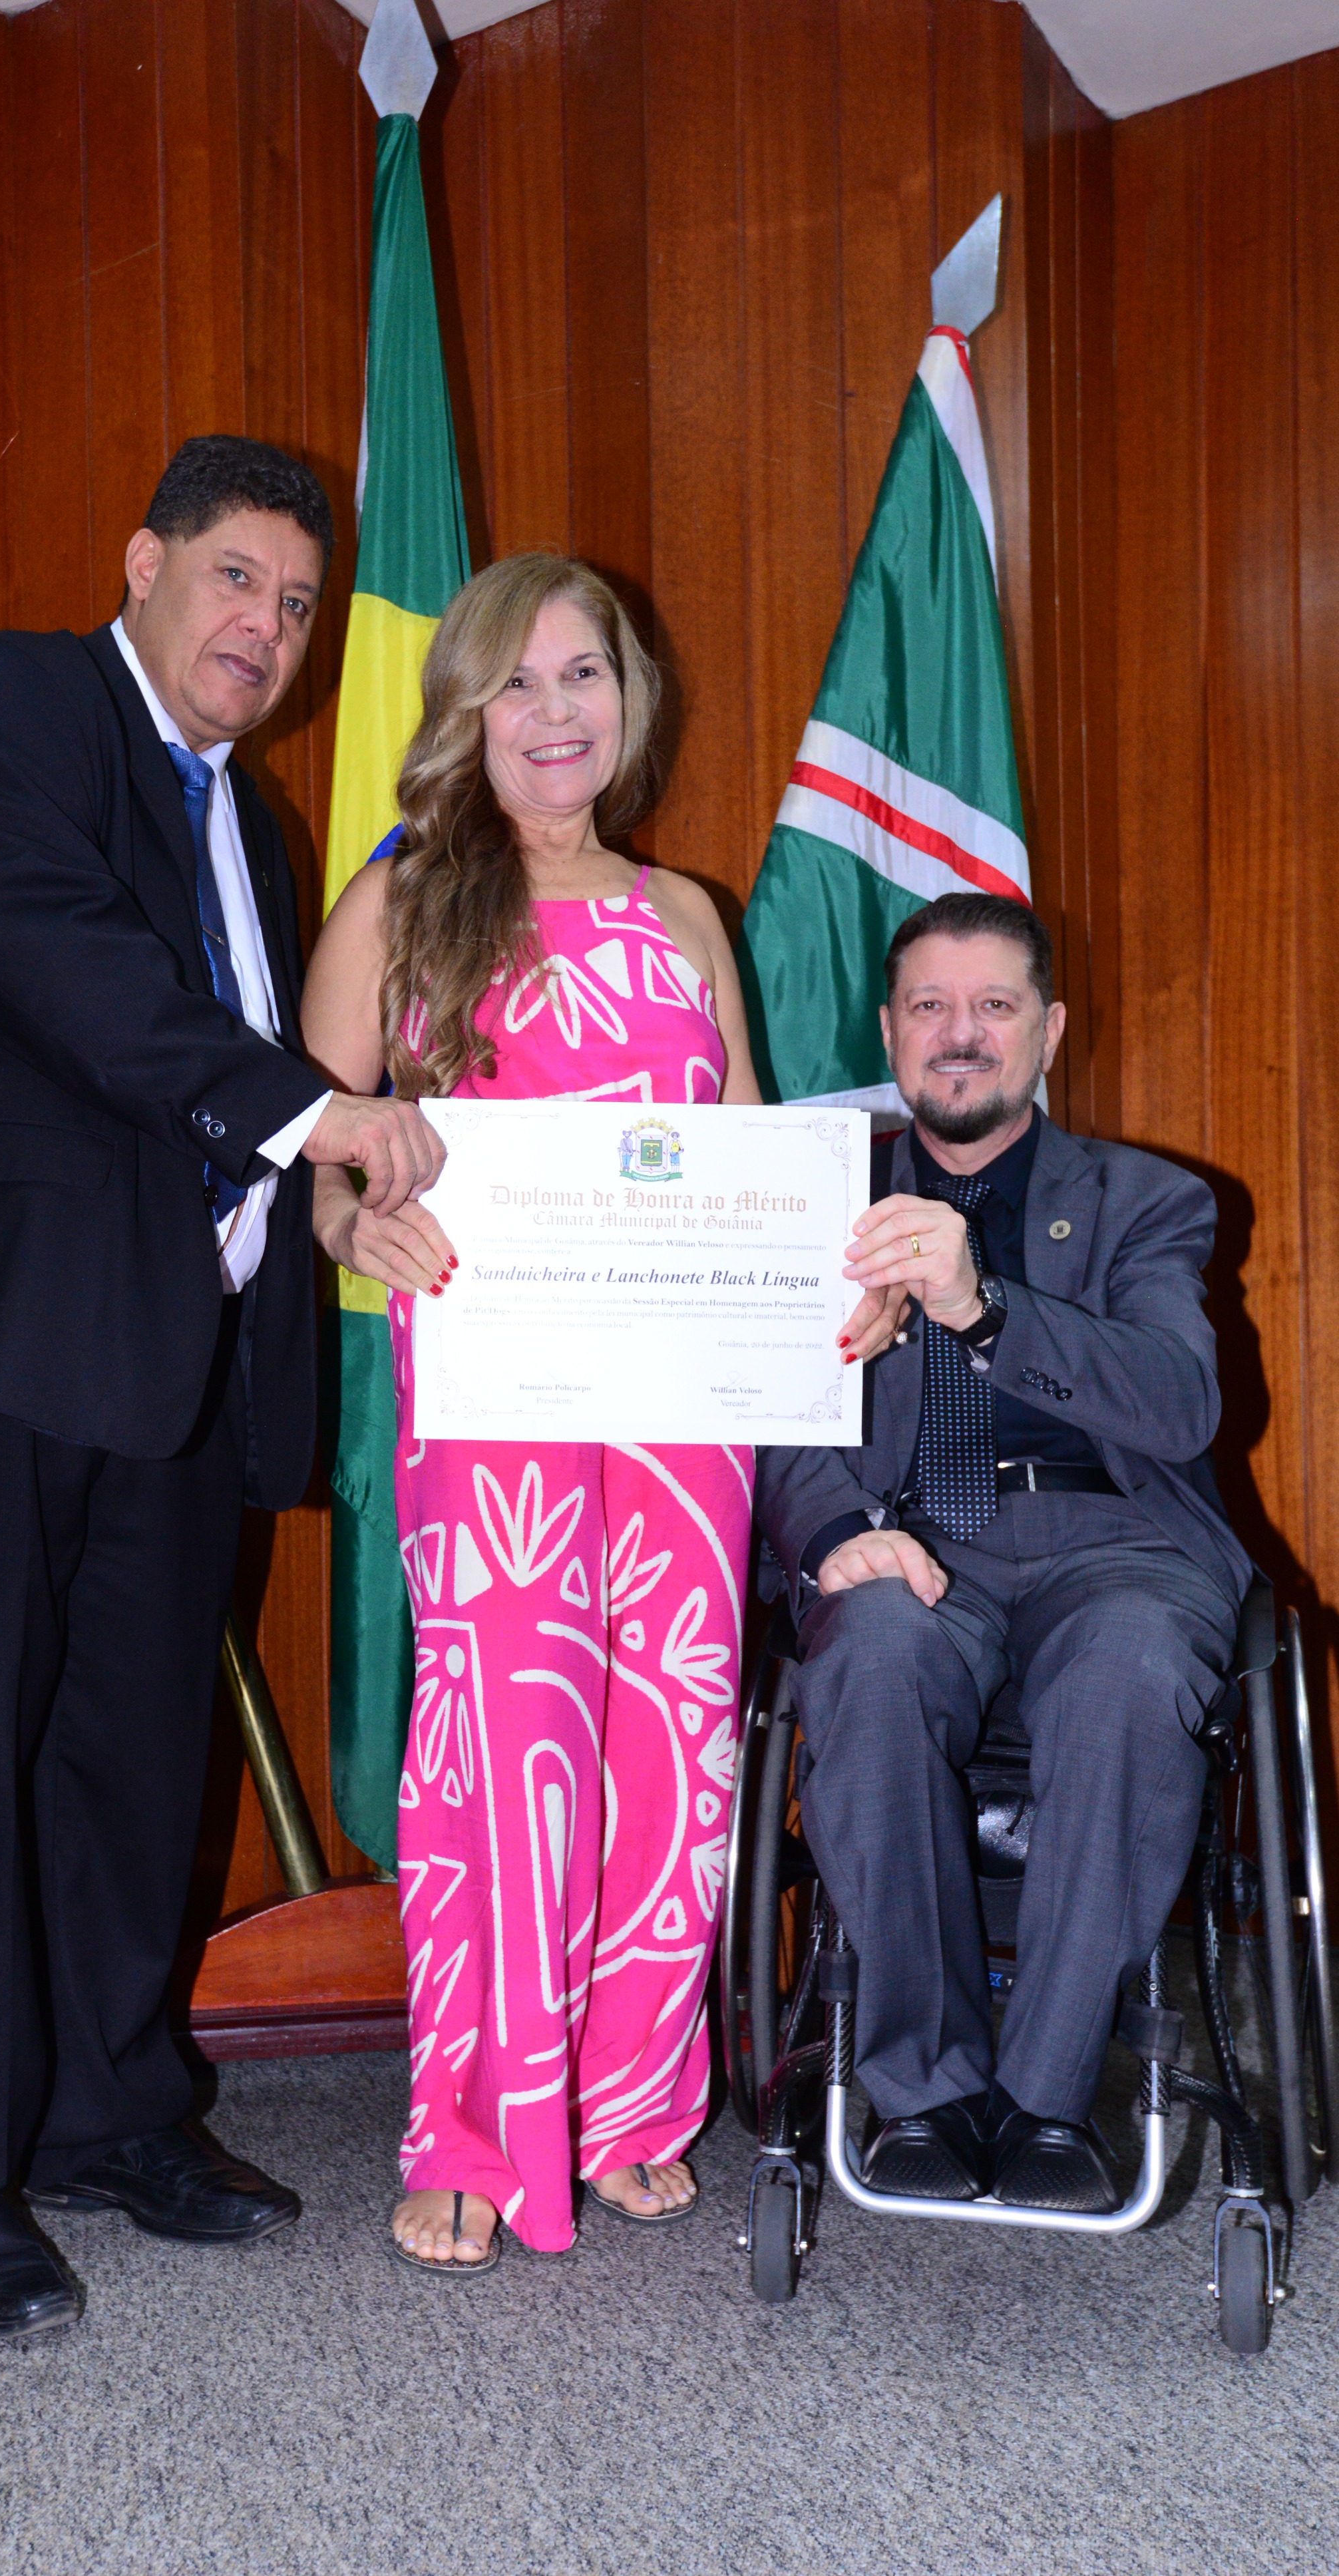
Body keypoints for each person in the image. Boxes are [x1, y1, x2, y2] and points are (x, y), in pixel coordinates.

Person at [0, 435, 445, 2337]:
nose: (267, 626)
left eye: (297, 603)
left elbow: (241, 1093)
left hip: (163, 1358)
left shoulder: (259, 828)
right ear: (141, 563)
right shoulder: (0, 707)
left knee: (131, 1763)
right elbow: (56, 960)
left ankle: (107, 2113)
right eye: (234, 578)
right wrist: (317, 1116)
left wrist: (334, 1198)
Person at [301, 552, 904, 2270]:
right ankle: (470, 2126)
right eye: (517, 681)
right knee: (499, 1745)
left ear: (628, 702)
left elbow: (754, 1167)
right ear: (467, 711)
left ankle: (630, 2104)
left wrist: (842, 1283)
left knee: (669, 1737)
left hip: (680, 1409)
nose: (553, 712)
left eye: (583, 676)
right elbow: (309, 1155)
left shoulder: (686, 914)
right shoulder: (398, 901)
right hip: (489, 1395)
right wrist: (354, 1222)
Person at [755, 891, 1250, 2213]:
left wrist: (983, 1309)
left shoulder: (1146, 1201)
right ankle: (923, 2090)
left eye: (991, 1006)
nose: (958, 1034)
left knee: (1128, 1674)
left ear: (1049, 1030)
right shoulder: (818, 1195)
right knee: (866, 1658)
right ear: (887, 1031)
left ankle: (1046, 2098)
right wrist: (839, 1534)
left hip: (1113, 1541)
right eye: (929, 1006)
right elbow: (766, 1409)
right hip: (910, 1535)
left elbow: (1178, 1404)